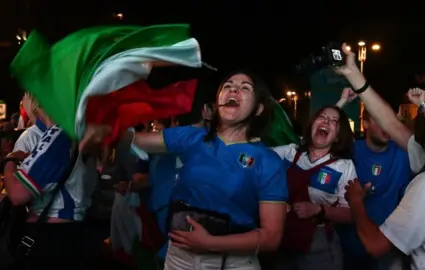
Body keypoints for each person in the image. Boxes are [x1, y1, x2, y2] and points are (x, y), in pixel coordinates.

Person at [80, 71, 288, 270]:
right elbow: (134, 141)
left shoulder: (268, 162)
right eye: (227, 86)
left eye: (244, 88)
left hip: (231, 263)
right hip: (179, 258)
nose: (233, 90)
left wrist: (210, 243)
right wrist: (105, 128)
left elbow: (271, 238)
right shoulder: (193, 137)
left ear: (259, 108)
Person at [336, 43, 425, 269]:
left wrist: (355, 202)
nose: (418, 114)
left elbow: (376, 245)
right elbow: (392, 124)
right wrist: (354, 74)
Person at [2, 105, 98, 269]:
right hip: (71, 234)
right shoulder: (75, 133)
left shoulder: (59, 135)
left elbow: (17, 194)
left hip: (53, 238)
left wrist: (9, 160)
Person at [271, 105, 357, 270]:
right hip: (280, 240)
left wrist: (319, 209)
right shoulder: (290, 153)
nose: (326, 121)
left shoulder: (344, 167)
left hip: (319, 247)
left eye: (334, 121)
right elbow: (258, 157)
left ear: (338, 136)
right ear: (312, 125)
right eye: (322, 117)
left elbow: (352, 214)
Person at [337, 90, 412, 269]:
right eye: (379, 121)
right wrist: (341, 103)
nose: (386, 127)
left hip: (386, 249)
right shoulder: (350, 151)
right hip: (348, 246)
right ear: (365, 124)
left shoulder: (404, 153)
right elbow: (323, 134)